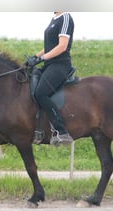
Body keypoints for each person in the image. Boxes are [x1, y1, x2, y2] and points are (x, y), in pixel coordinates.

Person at [25, 12, 75, 146]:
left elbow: (62, 46)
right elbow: (49, 46)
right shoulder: (54, 18)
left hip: (60, 65)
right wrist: (35, 57)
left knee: (41, 93)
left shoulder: (65, 17)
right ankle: (38, 127)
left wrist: (42, 58)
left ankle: (62, 131)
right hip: (49, 65)